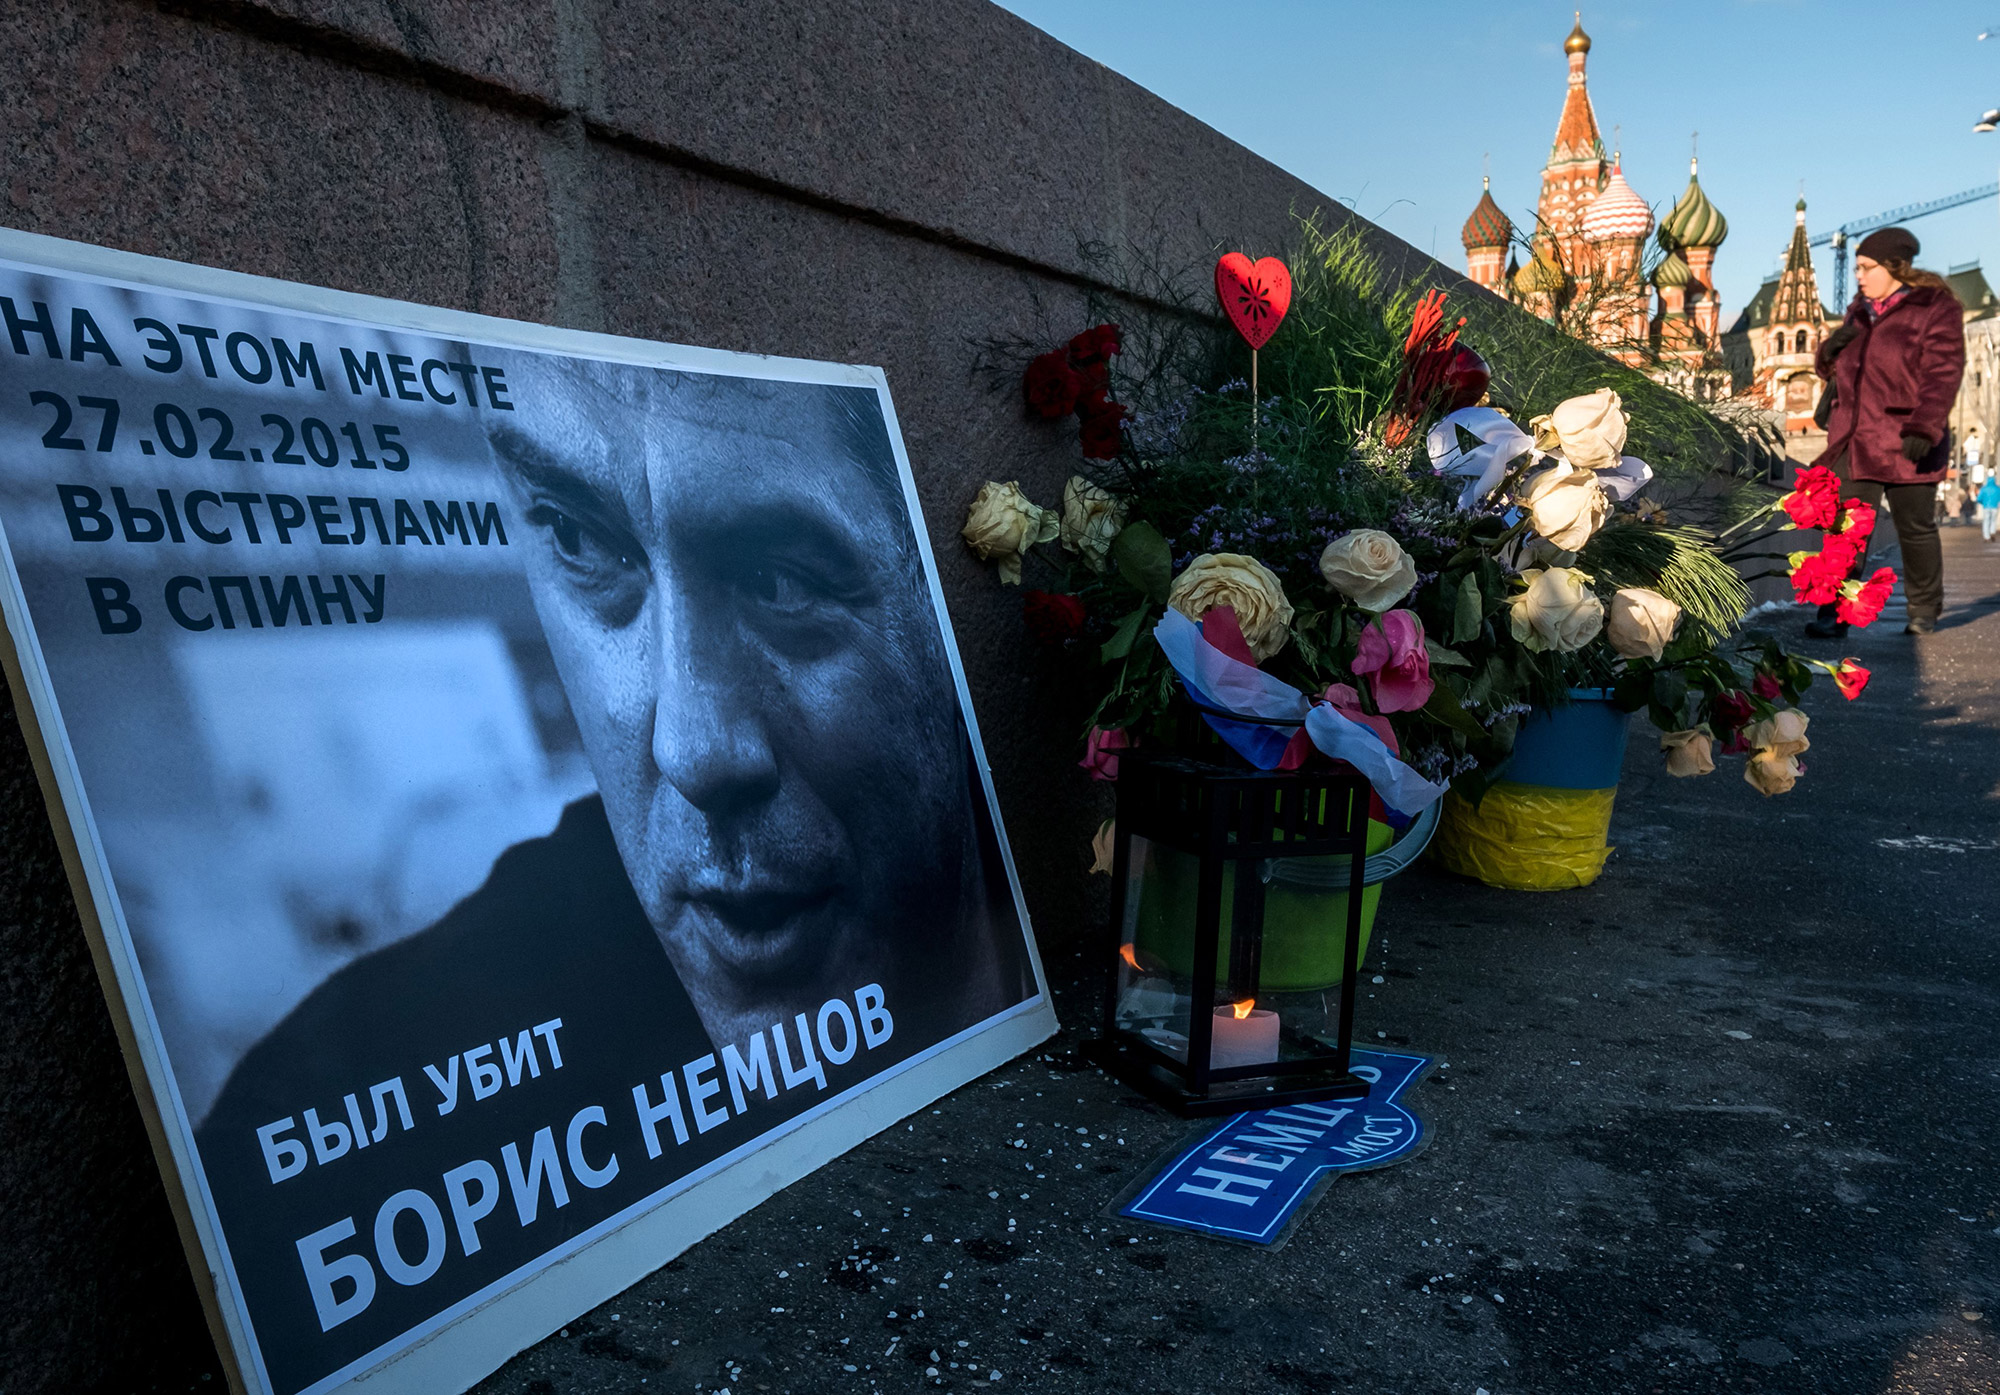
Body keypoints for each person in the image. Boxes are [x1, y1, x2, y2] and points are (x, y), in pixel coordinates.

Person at [191, 359, 1034, 1380]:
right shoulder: (313, 1133)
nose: (692, 744)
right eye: (582, 541)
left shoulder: (1014, 912)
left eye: (782, 578)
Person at [1806, 226, 1966, 637]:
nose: (1857, 275)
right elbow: (1832, 371)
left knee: (1915, 527)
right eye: (1856, 267)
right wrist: (1832, 348)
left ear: (1894, 267)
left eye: (1865, 267)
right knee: (1846, 529)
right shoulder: (1860, 310)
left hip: (1906, 437)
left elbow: (1943, 372)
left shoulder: (1934, 307)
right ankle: (1833, 612)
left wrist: (1925, 426)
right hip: (1854, 438)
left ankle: (1923, 610)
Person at [1980, 472, 2000, 541]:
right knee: (1993, 520)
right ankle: (1992, 532)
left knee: (1986, 521)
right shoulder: (1997, 488)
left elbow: (1979, 498)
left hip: (1986, 507)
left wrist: (1983, 503)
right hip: (1995, 507)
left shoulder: (1984, 488)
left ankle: (1986, 536)